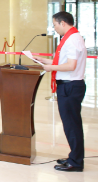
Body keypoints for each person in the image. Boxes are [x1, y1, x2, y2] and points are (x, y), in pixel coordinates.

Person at [33, 12, 87, 172]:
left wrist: (50, 67)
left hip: (70, 86)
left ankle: (76, 162)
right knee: (71, 124)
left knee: (72, 125)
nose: (54, 28)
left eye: (55, 25)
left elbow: (71, 66)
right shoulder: (71, 37)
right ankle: (74, 157)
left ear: (63, 23)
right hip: (70, 85)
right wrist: (45, 61)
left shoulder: (72, 40)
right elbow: (64, 62)